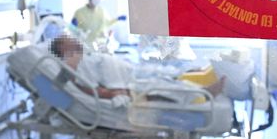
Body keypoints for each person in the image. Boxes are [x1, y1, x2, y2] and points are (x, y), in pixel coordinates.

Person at [50, 35, 224, 103]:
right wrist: (113, 93)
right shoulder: (72, 64)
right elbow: (88, 87)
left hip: (129, 71)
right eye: (68, 40)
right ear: (63, 49)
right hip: (125, 82)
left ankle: (200, 84)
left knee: (164, 73)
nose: (73, 40)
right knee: (160, 84)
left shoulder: (85, 55)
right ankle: (202, 93)